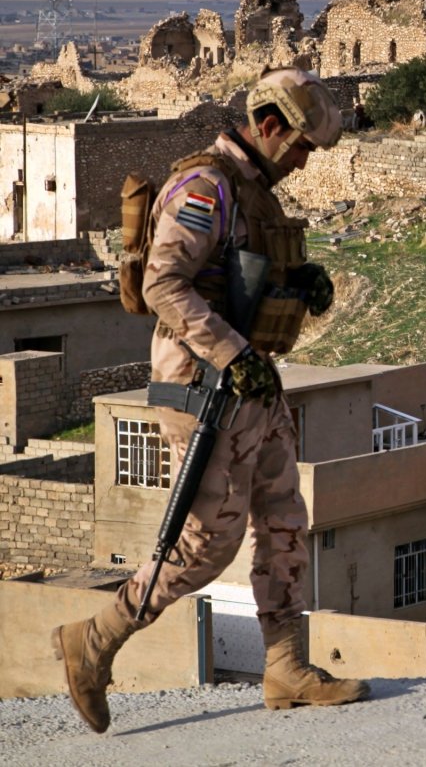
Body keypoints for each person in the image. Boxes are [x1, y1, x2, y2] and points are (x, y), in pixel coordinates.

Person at [52, 68, 370, 733]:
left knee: (284, 519)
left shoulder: (255, 192)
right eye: (303, 144)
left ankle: (286, 666)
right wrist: (234, 357)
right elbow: (167, 285)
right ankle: (96, 638)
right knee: (206, 544)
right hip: (207, 386)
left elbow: (242, 279)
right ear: (271, 126)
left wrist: (298, 282)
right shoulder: (205, 188)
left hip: (249, 382)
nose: (306, 159)